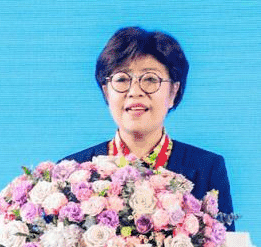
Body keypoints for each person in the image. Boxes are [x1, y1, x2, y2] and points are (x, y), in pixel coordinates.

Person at [63, 26, 236, 229]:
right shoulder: (72, 171)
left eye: (150, 79)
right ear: (107, 92)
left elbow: (227, 246)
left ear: (173, 92)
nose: (135, 91)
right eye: (122, 79)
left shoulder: (208, 169)